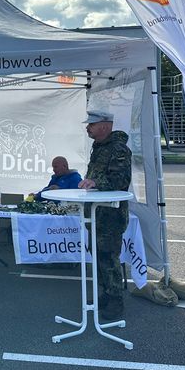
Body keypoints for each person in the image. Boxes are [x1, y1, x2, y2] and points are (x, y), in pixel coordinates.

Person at [78, 110, 132, 320]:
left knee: (109, 258)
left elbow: (119, 181)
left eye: (91, 124)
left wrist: (95, 183)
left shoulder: (118, 149)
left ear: (104, 126)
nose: (88, 128)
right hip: (96, 213)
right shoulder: (100, 147)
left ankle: (115, 300)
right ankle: (106, 294)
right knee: (99, 257)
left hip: (110, 215)